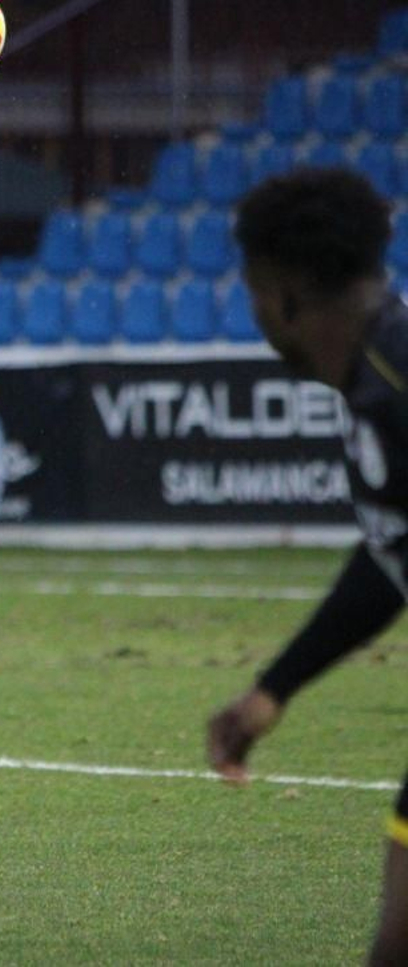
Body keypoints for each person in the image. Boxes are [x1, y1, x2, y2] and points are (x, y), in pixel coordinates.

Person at [205, 168, 408, 965]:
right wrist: (274, 688)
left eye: (253, 292)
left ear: (282, 296)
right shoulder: (372, 377)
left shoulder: (395, 381)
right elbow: (390, 553)